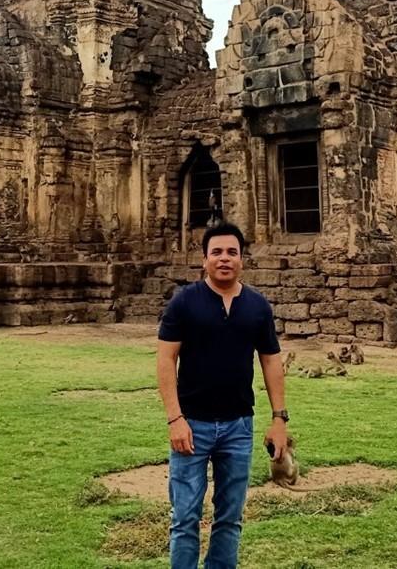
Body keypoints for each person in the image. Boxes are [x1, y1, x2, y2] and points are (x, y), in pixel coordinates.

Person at [156, 221, 289, 569]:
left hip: (238, 427)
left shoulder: (257, 307)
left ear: (242, 259)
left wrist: (279, 419)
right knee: (185, 519)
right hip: (192, 427)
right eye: (217, 252)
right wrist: (175, 419)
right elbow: (166, 360)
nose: (224, 259)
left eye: (232, 252)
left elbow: (271, 361)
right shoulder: (184, 303)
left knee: (230, 519)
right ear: (204, 260)